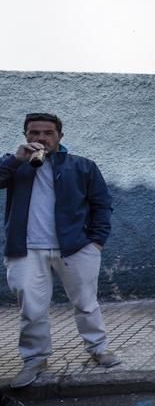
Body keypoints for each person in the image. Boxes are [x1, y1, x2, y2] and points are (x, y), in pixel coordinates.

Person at [1, 113, 119, 389]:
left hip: (76, 248)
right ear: (26, 135)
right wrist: (15, 159)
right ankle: (34, 359)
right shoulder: (16, 165)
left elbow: (102, 204)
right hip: (26, 250)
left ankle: (98, 349)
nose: (40, 138)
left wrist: (96, 241)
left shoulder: (82, 166)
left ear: (60, 137)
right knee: (31, 308)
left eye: (47, 133)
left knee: (86, 303)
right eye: (34, 133)